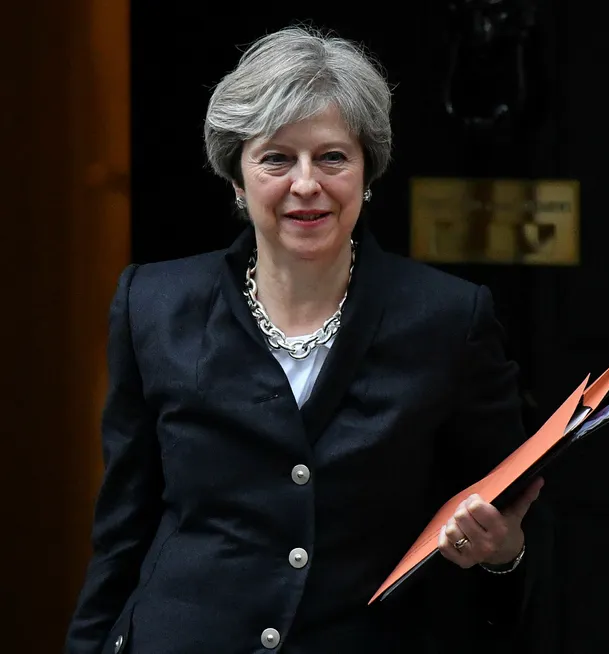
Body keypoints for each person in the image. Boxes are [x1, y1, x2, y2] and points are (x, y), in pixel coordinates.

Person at [65, 26, 548, 654]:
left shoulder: (448, 319)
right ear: (236, 179)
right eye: (276, 158)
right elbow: (122, 530)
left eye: (331, 157)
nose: (305, 183)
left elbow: (507, 516)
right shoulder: (153, 305)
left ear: (366, 172)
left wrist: (504, 554)